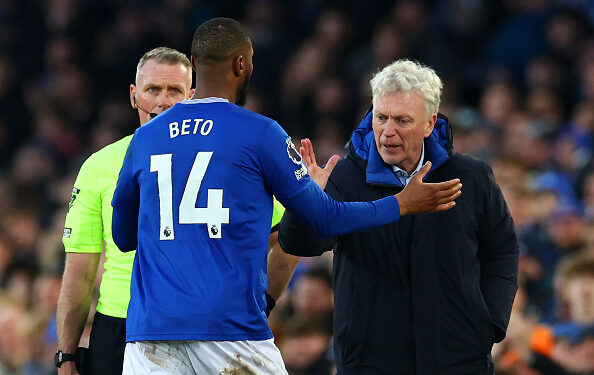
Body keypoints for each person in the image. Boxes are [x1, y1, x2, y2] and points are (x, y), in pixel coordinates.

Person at [110, 18, 462, 374]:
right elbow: (323, 218)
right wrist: (401, 203)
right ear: (241, 65)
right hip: (229, 330)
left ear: (195, 63)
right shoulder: (260, 133)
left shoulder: (145, 138)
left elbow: (123, 238)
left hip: (150, 335)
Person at [55, 46, 292, 375]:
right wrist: (66, 355)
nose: (163, 101)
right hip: (120, 328)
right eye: (153, 90)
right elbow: (79, 272)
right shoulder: (98, 166)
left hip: (204, 328)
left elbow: (287, 235)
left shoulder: (225, 156)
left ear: (192, 96)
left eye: (174, 91)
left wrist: (263, 303)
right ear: (134, 96)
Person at [279, 59, 520, 374]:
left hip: (460, 360)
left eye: (403, 121)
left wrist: (488, 324)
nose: (387, 132)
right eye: (381, 117)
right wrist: (307, 199)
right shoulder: (344, 176)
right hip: (370, 363)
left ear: (430, 123)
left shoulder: (471, 177)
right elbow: (301, 243)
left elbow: (502, 250)